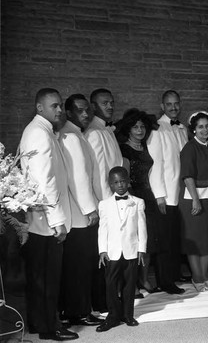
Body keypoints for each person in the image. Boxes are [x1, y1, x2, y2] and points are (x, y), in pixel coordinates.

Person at [19, 88, 78, 341]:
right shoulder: (39, 134)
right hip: (45, 222)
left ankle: (41, 322)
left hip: (42, 220)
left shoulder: (41, 131)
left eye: (60, 105)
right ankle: (48, 327)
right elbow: (44, 181)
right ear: (39, 108)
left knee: (44, 276)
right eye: (54, 106)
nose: (59, 110)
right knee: (47, 278)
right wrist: (57, 221)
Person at [59, 94, 103, 327]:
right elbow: (78, 178)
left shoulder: (76, 134)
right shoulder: (72, 137)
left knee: (82, 265)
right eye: (79, 110)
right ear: (69, 112)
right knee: (81, 266)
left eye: (87, 110)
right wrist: (90, 209)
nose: (85, 114)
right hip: (79, 215)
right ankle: (79, 312)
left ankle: (78, 309)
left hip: (80, 212)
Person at [115, 109, 166, 295]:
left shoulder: (145, 147)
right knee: (133, 241)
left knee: (148, 240)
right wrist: (129, 201)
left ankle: (144, 279)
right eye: (135, 127)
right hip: (133, 196)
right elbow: (124, 176)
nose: (140, 130)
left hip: (148, 195)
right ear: (128, 129)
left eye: (142, 126)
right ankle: (132, 284)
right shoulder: (125, 149)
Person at [85, 88, 123, 313]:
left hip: (115, 200)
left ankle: (112, 296)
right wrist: (105, 206)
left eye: (111, 102)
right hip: (106, 203)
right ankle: (103, 301)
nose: (110, 106)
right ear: (93, 106)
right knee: (105, 255)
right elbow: (99, 174)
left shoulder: (107, 130)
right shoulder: (94, 132)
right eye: (104, 103)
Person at [96, 166, 147, 332]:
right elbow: (102, 229)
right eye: (116, 182)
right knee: (110, 285)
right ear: (110, 185)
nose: (120, 185)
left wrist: (142, 249)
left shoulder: (138, 202)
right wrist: (102, 250)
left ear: (128, 181)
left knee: (129, 284)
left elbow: (142, 226)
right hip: (112, 252)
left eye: (123, 181)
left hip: (131, 250)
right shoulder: (104, 205)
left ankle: (128, 314)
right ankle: (112, 317)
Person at [147, 90, 187, 294]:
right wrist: (159, 195)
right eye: (169, 104)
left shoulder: (182, 128)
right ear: (162, 106)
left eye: (176, 103)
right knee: (164, 240)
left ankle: (175, 273)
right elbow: (155, 165)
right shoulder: (157, 130)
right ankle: (165, 281)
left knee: (175, 237)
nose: (173, 107)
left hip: (181, 193)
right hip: (166, 194)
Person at [178, 111, 208, 292]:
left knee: (206, 240)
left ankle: (204, 276)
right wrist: (196, 200)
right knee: (195, 242)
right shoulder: (190, 148)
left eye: (207, 126)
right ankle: (197, 278)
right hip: (194, 200)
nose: (205, 129)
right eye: (200, 127)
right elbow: (187, 176)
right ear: (193, 130)